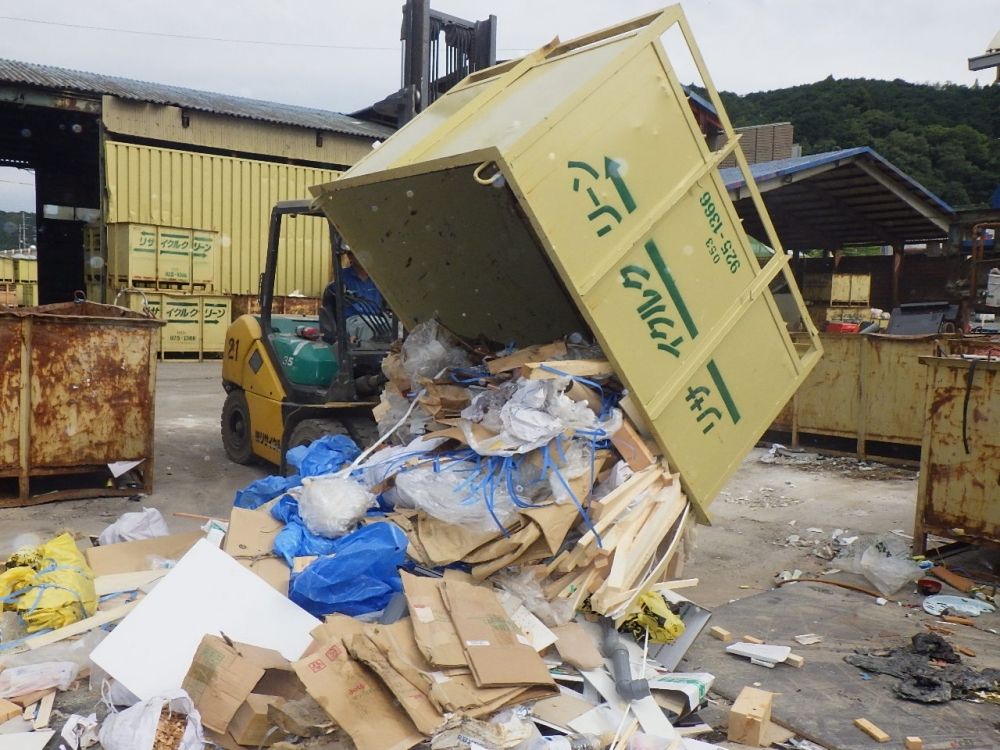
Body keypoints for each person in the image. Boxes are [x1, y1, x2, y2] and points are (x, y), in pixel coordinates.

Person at [333, 251, 385, 342]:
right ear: (350, 257)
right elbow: (336, 298)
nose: (365, 256)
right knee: (369, 327)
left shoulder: (378, 277)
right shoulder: (342, 276)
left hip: (377, 318)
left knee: (397, 327)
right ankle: (366, 355)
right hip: (353, 318)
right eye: (359, 252)